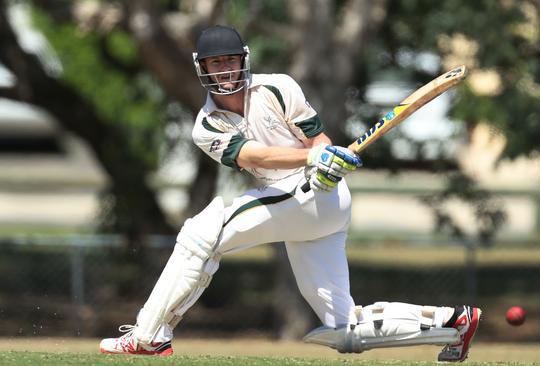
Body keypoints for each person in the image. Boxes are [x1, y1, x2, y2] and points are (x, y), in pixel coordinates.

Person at [99, 25, 481, 362]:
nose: (226, 70)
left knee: (201, 233)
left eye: (231, 61)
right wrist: (315, 157)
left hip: (318, 196)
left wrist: (327, 163)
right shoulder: (206, 126)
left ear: (244, 60)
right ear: (202, 69)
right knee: (345, 327)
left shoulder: (279, 87)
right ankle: (454, 324)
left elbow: (319, 140)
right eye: (216, 64)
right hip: (294, 201)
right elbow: (255, 155)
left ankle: (148, 337)